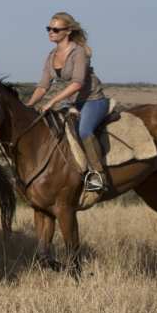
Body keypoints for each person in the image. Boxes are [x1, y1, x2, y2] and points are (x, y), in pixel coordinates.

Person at [25, 11, 110, 192]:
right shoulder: (51, 56)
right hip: (71, 103)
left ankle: (98, 176)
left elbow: (77, 83)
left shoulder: (79, 52)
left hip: (92, 100)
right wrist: (28, 105)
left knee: (84, 131)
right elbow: (42, 86)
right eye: (49, 28)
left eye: (56, 29)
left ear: (68, 31)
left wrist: (52, 102)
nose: (51, 32)